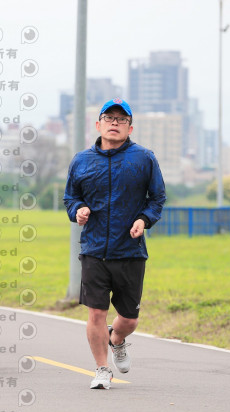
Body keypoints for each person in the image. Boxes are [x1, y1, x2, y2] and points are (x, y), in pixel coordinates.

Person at [64, 98, 166, 389]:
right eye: (109, 118)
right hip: (94, 249)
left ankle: (117, 338)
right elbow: (70, 197)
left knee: (129, 319)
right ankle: (101, 369)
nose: (114, 123)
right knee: (96, 312)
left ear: (129, 128)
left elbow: (157, 197)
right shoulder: (81, 160)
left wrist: (144, 220)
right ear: (98, 125)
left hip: (130, 250)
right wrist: (78, 210)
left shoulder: (144, 159)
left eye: (121, 119)